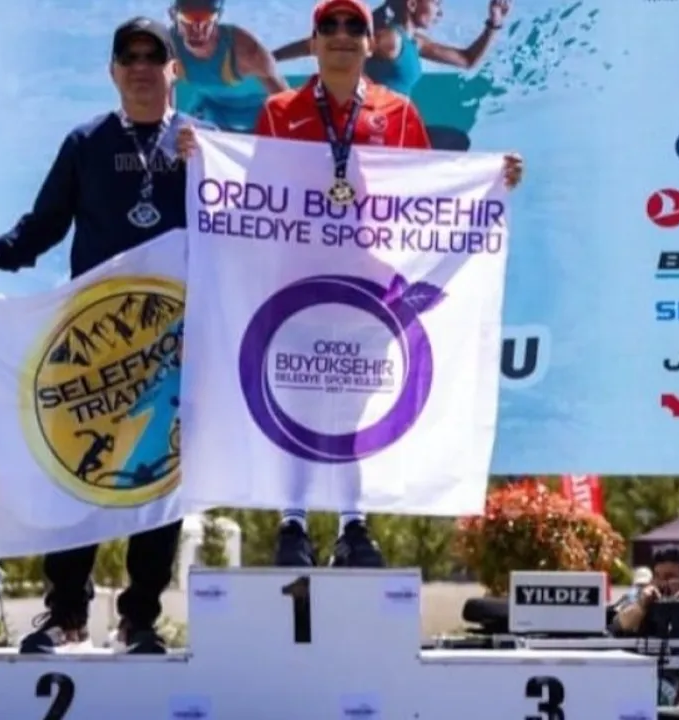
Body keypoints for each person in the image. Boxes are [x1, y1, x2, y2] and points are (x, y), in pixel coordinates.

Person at [177, 0, 523, 569]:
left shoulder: (398, 111)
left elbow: (426, 190)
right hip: (295, 280)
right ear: (313, 43)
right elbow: (255, 189)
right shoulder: (280, 111)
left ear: (370, 42)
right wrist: (205, 162)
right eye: (329, 26)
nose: (341, 34)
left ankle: (352, 524)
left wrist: (493, 180)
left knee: (355, 405)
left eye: (353, 26)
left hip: (368, 284)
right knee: (294, 394)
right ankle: (292, 523)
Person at [0, 17, 208, 657]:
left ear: (174, 69)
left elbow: (244, 219)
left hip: (172, 344)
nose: (140, 66)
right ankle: (65, 614)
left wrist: (212, 166)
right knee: (75, 473)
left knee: (157, 478)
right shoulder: (86, 142)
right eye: (128, 57)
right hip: (94, 340)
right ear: (112, 71)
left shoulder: (202, 144)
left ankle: (141, 619)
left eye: (153, 56)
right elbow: (45, 224)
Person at [273, 0, 511, 149]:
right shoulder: (390, 40)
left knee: (455, 142)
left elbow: (467, 60)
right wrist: (271, 59)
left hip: (398, 130)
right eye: (436, 3)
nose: (440, 12)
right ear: (412, 5)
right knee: (453, 142)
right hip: (375, 131)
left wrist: (494, 23)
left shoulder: (415, 42)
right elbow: (327, 43)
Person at [170, 0, 289, 131]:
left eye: (206, 18)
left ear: (216, 19)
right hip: (211, 109)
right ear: (173, 17)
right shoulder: (169, 48)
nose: (197, 29)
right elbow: (163, 99)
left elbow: (283, 98)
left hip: (259, 110)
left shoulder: (245, 50)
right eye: (188, 18)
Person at [609, 548, 679, 636]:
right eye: (657, 576)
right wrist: (642, 604)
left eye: (669, 577)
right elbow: (619, 625)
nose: (661, 584)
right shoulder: (643, 602)